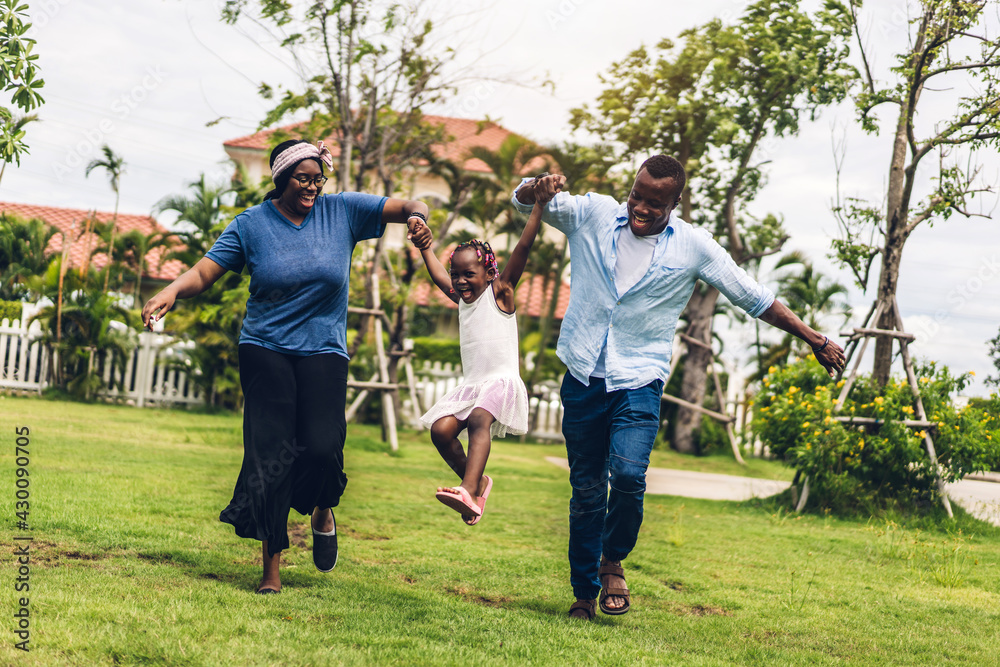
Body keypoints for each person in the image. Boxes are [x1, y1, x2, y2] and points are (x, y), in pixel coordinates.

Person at [510, 156, 846, 620]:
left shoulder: (693, 246)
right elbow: (523, 200)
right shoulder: (594, 212)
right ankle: (584, 595)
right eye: (637, 195)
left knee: (628, 477)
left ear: (675, 202)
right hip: (584, 375)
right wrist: (536, 186)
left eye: (655, 202)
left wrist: (814, 337)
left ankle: (613, 559)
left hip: (639, 380)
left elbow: (753, 296)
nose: (641, 208)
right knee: (587, 490)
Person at [141, 139, 432, 594]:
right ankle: (271, 569)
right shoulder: (252, 225)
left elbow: (412, 204)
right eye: (303, 179)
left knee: (321, 448)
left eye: (319, 178)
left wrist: (417, 216)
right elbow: (204, 272)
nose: (313, 187)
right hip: (265, 347)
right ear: (281, 179)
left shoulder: (344, 212)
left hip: (324, 350)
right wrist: (172, 291)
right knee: (270, 457)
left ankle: (321, 507)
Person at [409, 190, 552, 524]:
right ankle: (475, 490)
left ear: (489, 274)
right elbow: (438, 277)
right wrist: (425, 248)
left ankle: (467, 486)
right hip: (473, 384)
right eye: (456, 275)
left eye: (468, 274)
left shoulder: (500, 294)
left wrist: (539, 206)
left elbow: (523, 248)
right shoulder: (462, 300)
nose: (460, 282)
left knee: (477, 419)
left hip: (501, 381)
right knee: (441, 431)